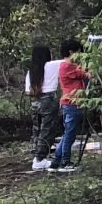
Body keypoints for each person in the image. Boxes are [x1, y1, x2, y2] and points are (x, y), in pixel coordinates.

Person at [49, 40, 89, 173]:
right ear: (72, 52)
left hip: (72, 103)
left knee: (68, 134)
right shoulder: (67, 66)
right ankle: (66, 161)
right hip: (71, 104)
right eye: (78, 52)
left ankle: (56, 161)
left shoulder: (69, 66)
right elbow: (85, 74)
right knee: (70, 135)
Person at [26, 42, 62, 172]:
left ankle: (37, 156)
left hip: (35, 101)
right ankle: (40, 160)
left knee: (37, 130)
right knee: (47, 130)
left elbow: (28, 90)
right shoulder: (52, 65)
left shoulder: (32, 70)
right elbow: (70, 61)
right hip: (48, 100)